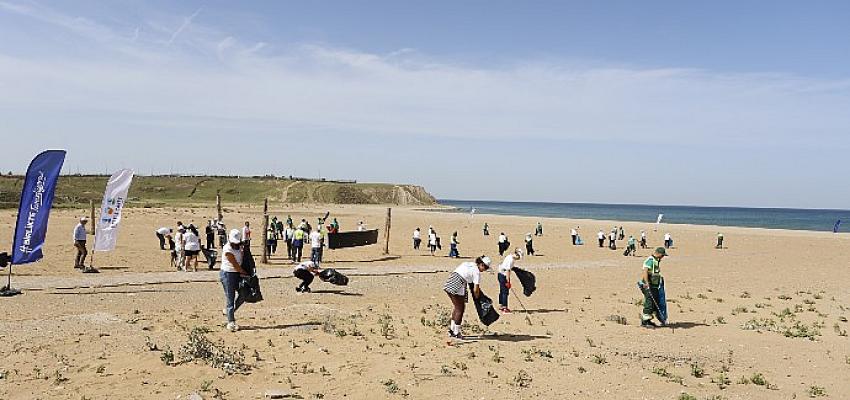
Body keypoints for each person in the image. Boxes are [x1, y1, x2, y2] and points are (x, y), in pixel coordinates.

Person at [443, 256, 492, 339]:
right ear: (481, 264)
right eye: (485, 267)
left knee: (457, 307)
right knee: (460, 309)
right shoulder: (476, 273)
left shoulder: (469, 264)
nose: (484, 270)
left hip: (450, 282)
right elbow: (476, 289)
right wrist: (478, 298)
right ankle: (456, 332)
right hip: (458, 284)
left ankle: (452, 329)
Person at [220, 229, 247, 332]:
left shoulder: (239, 246)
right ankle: (231, 322)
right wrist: (245, 273)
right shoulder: (227, 249)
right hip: (228, 274)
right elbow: (235, 264)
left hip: (237, 274)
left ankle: (229, 311)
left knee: (244, 293)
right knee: (230, 298)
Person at [639, 247, 667, 328]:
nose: (662, 257)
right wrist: (647, 283)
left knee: (654, 302)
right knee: (649, 302)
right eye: (662, 255)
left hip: (654, 286)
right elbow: (645, 271)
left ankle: (648, 320)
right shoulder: (650, 261)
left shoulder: (656, 261)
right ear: (658, 253)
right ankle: (644, 322)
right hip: (649, 285)